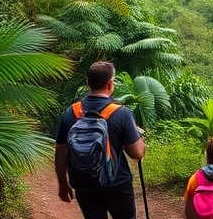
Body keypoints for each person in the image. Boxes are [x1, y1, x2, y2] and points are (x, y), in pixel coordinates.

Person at [55, 61, 146, 219]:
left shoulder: (71, 112)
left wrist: (63, 184)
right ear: (110, 84)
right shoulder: (121, 113)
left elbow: (60, 151)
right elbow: (137, 153)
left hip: (84, 184)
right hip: (117, 184)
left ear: (88, 83)